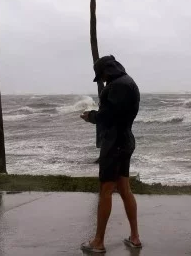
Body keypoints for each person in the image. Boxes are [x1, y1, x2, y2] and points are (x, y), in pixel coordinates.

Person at [80, 55, 142, 253]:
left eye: (102, 76)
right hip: (126, 140)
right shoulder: (129, 82)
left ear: (107, 70)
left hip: (114, 143)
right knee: (124, 188)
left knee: (106, 190)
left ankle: (98, 242)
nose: (102, 80)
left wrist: (91, 116)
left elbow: (108, 116)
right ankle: (135, 237)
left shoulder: (117, 86)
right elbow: (118, 113)